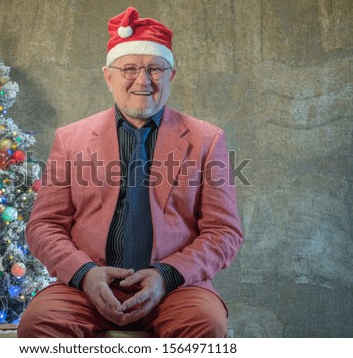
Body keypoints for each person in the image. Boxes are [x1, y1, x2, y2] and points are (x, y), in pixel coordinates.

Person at [17, 7, 243, 338]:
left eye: (155, 68)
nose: (143, 80)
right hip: (85, 288)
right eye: (129, 68)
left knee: (204, 326)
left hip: (176, 289)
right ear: (108, 76)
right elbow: (44, 225)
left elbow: (224, 232)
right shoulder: (71, 139)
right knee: (39, 325)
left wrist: (166, 275)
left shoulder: (207, 140)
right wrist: (84, 273)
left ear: (171, 76)